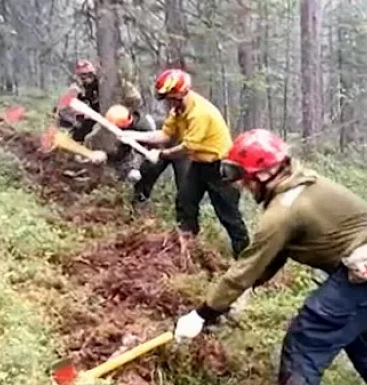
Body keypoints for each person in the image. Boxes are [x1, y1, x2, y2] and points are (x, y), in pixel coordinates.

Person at [171, 129, 367, 385]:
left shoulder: (283, 211)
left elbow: (246, 267)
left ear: (265, 173)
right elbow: (274, 256)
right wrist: (240, 294)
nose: (243, 185)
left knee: (306, 340)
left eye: (245, 178)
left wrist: (201, 314)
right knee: (365, 346)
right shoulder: (303, 183)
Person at [121, 68, 249, 258]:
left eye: (170, 98)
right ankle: (189, 247)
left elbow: (186, 148)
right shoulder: (178, 110)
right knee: (185, 203)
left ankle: (246, 258)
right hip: (199, 165)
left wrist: (161, 155)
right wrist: (134, 135)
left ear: (180, 93)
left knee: (228, 215)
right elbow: (164, 135)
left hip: (221, 167)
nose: (168, 103)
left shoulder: (199, 113)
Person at [102, 104, 190, 207]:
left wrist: (136, 167)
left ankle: (185, 217)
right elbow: (123, 151)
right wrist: (108, 158)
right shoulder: (128, 124)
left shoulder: (144, 126)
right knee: (145, 175)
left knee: (185, 186)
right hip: (157, 150)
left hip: (178, 149)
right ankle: (137, 206)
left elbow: (155, 147)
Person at [55, 59, 101, 143]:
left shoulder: (97, 88)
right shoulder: (73, 90)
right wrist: (76, 121)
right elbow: (61, 109)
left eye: (90, 75)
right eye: (83, 75)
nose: (87, 78)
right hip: (73, 126)